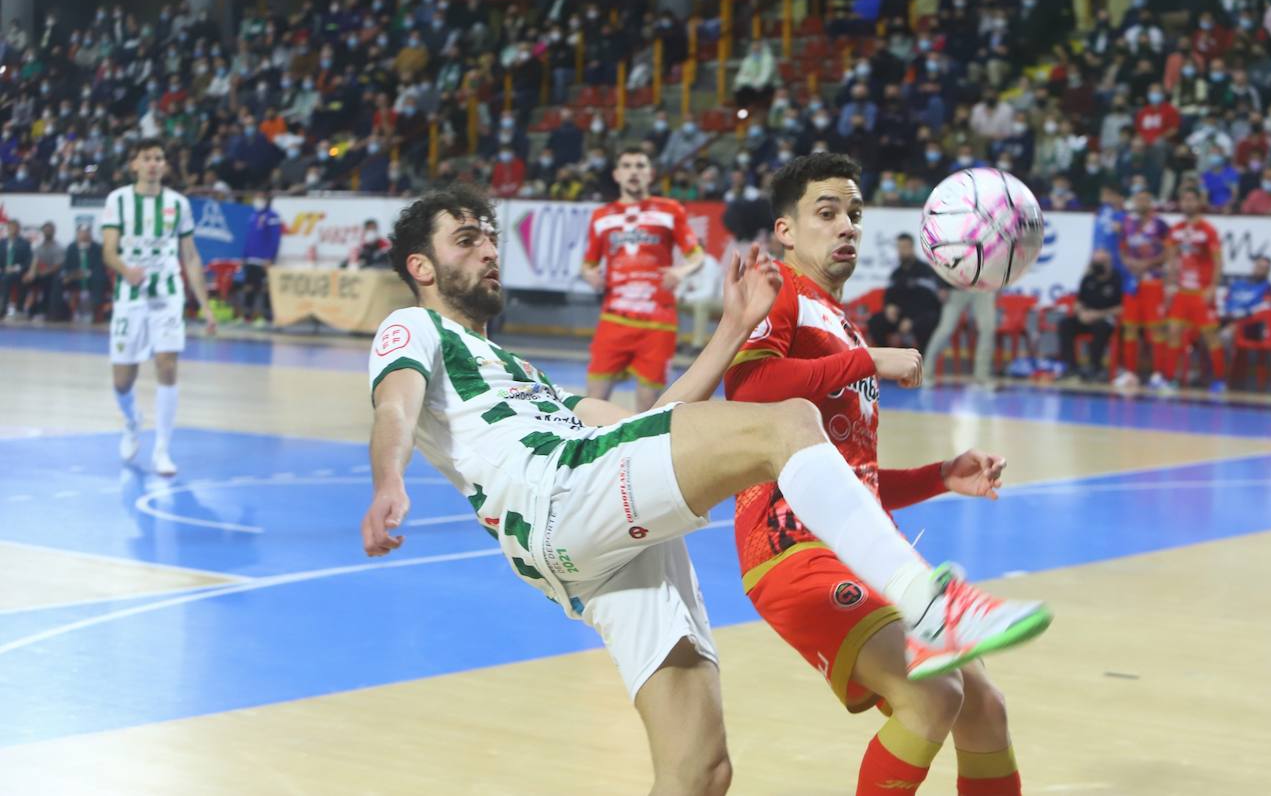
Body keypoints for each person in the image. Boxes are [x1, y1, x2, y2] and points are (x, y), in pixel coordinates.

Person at [362, 185, 1052, 794]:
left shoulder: (519, 375)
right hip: (558, 493)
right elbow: (394, 405)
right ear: (421, 268)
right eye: (465, 238)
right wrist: (389, 480)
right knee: (787, 426)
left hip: (586, 543)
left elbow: (644, 428)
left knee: (700, 773)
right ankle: (928, 600)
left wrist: (728, 329)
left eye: (489, 234)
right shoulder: (413, 326)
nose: (488, 248)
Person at [723, 153, 1038, 796]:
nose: (846, 226)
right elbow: (748, 387)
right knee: (933, 696)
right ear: (786, 229)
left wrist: (940, 475)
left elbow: (852, 483)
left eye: (855, 214)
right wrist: (867, 359)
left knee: (985, 709)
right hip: (792, 545)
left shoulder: (839, 320)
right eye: (827, 212)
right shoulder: (780, 291)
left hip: (861, 544)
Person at [101, 138, 216, 476]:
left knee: (166, 365)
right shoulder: (118, 201)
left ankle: (162, 450)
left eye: (159, 158)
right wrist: (126, 270)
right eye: (147, 157)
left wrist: (205, 306)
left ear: (165, 165)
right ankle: (132, 419)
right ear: (134, 164)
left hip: (168, 296)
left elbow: (191, 256)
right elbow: (108, 251)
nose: (154, 163)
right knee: (123, 378)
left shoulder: (178, 204)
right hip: (129, 297)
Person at [581, 149, 704, 412]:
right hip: (614, 320)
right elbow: (588, 264)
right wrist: (589, 274)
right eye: (626, 165)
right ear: (617, 174)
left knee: (648, 408)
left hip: (658, 323)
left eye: (640, 165)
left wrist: (680, 272)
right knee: (593, 401)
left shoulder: (670, 211)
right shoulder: (601, 217)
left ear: (650, 174)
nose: (633, 171)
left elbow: (697, 257)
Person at [1160, 186, 1226, 394]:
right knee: (1173, 332)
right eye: (1184, 199)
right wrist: (1169, 285)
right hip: (1181, 291)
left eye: (1192, 200)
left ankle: (1220, 379)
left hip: (1201, 291)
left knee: (1210, 336)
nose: (1188, 203)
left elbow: (1218, 261)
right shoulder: (1176, 229)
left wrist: (1213, 287)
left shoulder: (1208, 230)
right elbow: (1171, 259)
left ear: (1199, 202)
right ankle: (1171, 378)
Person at [1113, 190, 1170, 390]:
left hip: (1152, 282)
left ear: (1151, 202)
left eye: (1145, 199)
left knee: (1155, 329)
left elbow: (1168, 252)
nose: (1141, 202)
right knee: (1130, 328)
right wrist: (1128, 261)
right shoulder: (1127, 224)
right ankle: (1130, 373)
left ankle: (1158, 374)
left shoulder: (1160, 225)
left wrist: (1147, 264)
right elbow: (1121, 249)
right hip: (1131, 284)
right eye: (1138, 199)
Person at [1059, 248, 1124, 381]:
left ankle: (1095, 368)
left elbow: (1121, 308)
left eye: (1101, 262)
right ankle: (1071, 367)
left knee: (1101, 328)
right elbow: (1078, 302)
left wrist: (1098, 314)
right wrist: (1082, 313)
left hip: (1105, 319)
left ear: (1109, 263)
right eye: (1095, 261)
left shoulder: (1117, 280)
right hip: (1086, 317)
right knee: (1065, 324)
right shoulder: (1088, 279)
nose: (1097, 265)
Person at [883, 232, 944, 351]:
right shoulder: (896, 274)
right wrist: (889, 306)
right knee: (875, 322)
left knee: (926, 323)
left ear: (912, 248)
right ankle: (886, 361)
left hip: (921, 316)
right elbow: (889, 294)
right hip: (901, 316)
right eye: (899, 248)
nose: (902, 251)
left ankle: (922, 362)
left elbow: (930, 300)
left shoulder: (926, 271)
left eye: (905, 247)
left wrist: (912, 320)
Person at [241, 192, 282, 327]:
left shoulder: (273, 216)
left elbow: (275, 239)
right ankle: (247, 316)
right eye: (256, 197)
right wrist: (244, 256)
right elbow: (249, 238)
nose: (257, 200)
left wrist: (270, 257)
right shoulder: (253, 216)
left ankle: (267, 317)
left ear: (266, 200)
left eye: (260, 198)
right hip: (251, 259)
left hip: (264, 259)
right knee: (249, 286)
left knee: (265, 287)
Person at [63, 224, 107, 322]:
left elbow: (99, 266)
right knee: (60, 279)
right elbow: (66, 266)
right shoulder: (71, 247)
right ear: (77, 234)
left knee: (99, 278)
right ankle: (59, 313)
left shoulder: (97, 247)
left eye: (86, 232)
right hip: (75, 277)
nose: (84, 235)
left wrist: (86, 273)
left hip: (92, 277)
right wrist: (71, 275)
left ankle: (93, 311)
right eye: (81, 232)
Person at [0, 218, 33, 317]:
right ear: (7, 228)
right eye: (10, 227)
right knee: (5, 277)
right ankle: (3, 308)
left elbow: (28, 261)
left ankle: (14, 309)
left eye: (15, 227)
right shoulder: (2, 242)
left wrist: (16, 268)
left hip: (19, 272)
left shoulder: (25, 243)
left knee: (9, 278)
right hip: (3, 271)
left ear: (19, 229)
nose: (12, 229)